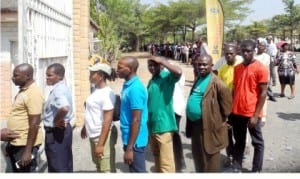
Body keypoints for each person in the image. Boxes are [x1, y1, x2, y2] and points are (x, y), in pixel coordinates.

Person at [185, 54, 232, 172]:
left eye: (205, 64)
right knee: (198, 157)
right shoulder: (198, 79)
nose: (201, 67)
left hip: (209, 127)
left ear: (211, 65)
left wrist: (217, 122)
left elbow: (227, 109)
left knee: (210, 159)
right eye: (199, 64)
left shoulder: (219, 84)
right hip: (195, 126)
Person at [231, 40, 268, 172]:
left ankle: (256, 170)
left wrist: (256, 115)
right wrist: (231, 111)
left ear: (254, 51)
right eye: (243, 51)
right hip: (237, 112)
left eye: (249, 51)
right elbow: (235, 90)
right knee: (239, 141)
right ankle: (237, 166)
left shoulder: (260, 68)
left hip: (252, 113)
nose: (245, 53)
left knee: (257, 143)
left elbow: (263, 93)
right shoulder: (237, 68)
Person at [6, 63, 44, 172]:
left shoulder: (33, 93)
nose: (12, 78)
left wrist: (28, 151)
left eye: (16, 75)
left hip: (25, 145)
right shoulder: (24, 91)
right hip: (17, 142)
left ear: (27, 76)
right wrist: (10, 145)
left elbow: (34, 123)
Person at [147, 56, 182, 173]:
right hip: (153, 127)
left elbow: (178, 72)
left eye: (154, 65)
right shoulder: (151, 81)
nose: (151, 68)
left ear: (161, 66)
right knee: (157, 158)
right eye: (149, 65)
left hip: (164, 127)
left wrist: (162, 61)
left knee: (166, 164)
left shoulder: (167, 78)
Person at [80, 62, 118, 172]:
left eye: (92, 74)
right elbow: (92, 111)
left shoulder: (107, 94)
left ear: (101, 76)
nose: (89, 76)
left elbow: (107, 120)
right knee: (99, 166)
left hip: (102, 136)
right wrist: (85, 127)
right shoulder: (96, 90)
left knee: (106, 169)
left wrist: (101, 144)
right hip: (94, 134)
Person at [116, 56, 148, 172]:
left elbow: (136, 120)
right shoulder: (128, 84)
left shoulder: (135, 89)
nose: (117, 70)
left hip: (135, 141)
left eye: (120, 68)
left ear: (129, 69)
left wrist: (130, 148)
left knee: (138, 172)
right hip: (129, 137)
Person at [42, 63, 73, 172]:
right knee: (65, 163)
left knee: (58, 166)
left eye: (50, 75)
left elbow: (64, 108)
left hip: (57, 132)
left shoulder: (58, 91)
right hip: (63, 130)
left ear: (59, 76)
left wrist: (55, 121)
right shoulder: (63, 87)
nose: (47, 77)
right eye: (46, 75)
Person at [217, 44, 242, 165]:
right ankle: (230, 156)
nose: (228, 55)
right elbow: (220, 89)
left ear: (236, 53)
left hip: (239, 106)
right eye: (226, 53)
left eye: (231, 53)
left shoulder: (241, 67)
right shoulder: (222, 69)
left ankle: (238, 156)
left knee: (238, 133)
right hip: (226, 106)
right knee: (227, 133)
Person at [172, 72, 186, 172]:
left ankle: (178, 163)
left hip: (175, 108)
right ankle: (178, 161)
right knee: (173, 135)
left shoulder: (174, 72)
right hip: (172, 108)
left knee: (174, 135)